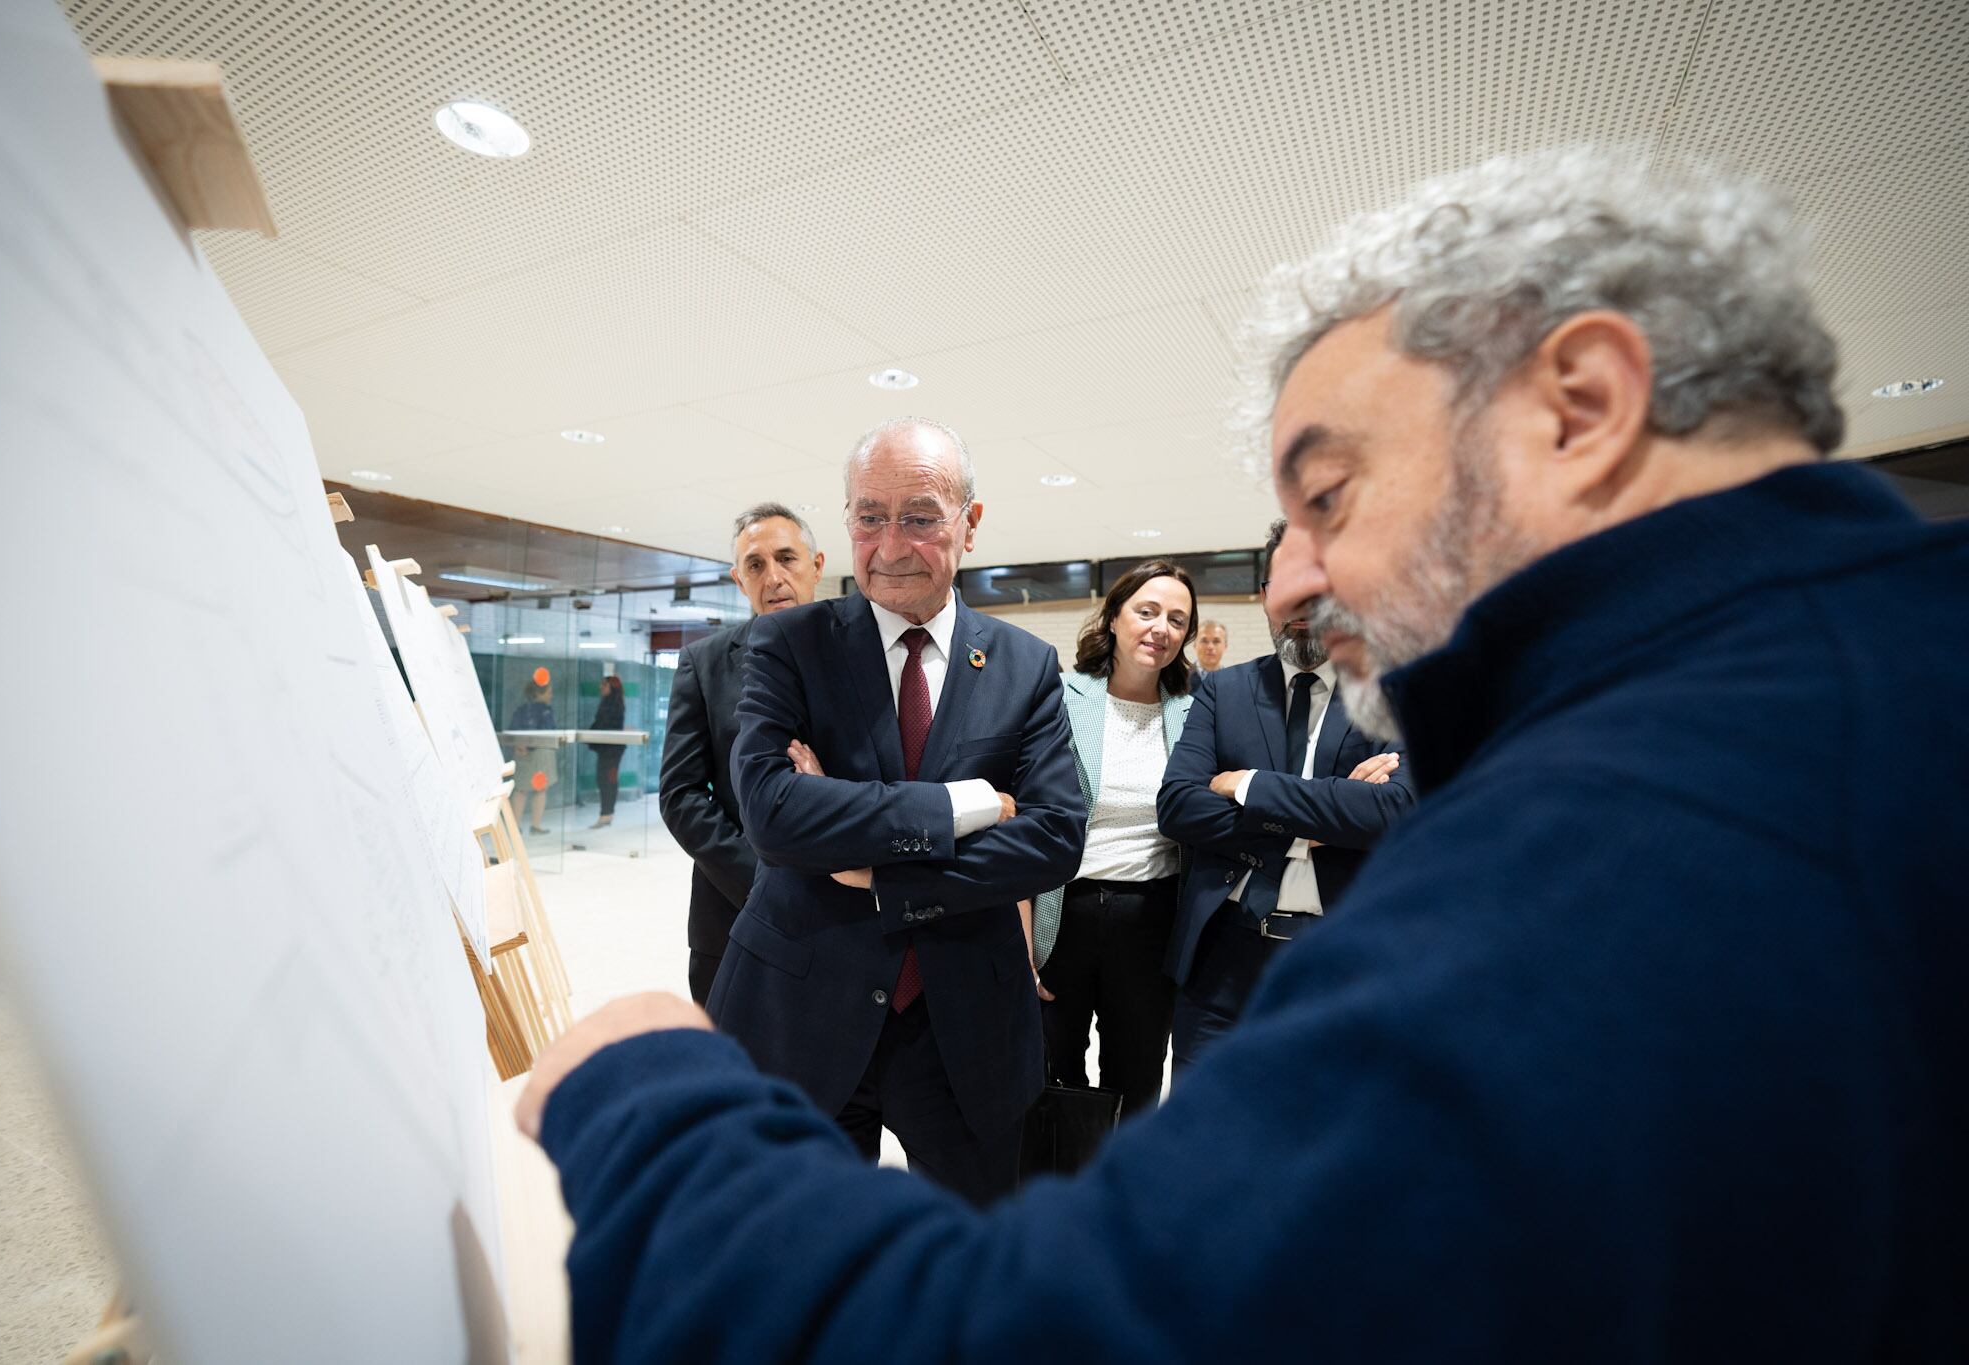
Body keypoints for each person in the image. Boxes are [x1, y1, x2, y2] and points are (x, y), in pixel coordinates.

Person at [515, 148, 1969, 1360]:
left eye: (1329, 495)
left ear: (1579, 405)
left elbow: (1038, 1331)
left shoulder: (1626, 836)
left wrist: (645, 1098)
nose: (1284, 586)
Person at [696, 416, 1085, 1204]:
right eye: (870, 516)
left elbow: (1053, 838)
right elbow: (771, 812)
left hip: (963, 1026)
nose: (892, 543)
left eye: (920, 516)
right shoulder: (789, 646)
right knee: (799, 1258)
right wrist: (966, 805)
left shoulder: (1025, 665)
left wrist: (881, 874)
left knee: (969, 1257)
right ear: (845, 524)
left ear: (969, 525)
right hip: (800, 1011)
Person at [1156, 516, 1415, 1071]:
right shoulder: (1225, 691)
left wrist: (1250, 786)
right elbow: (1178, 805)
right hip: (1222, 963)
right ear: (1265, 597)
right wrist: (1330, 816)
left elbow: (1398, 809)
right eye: (1287, 586)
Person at [1024, 559, 1199, 1122]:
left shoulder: (1195, 712)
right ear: (1115, 618)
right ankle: (1060, 1196)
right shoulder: (1059, 697)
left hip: (1152, 916)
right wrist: (1020, 935)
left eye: (1177, 619)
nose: (1161, 629)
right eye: (1146, 611)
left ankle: (1125, 1197)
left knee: (1140, 1076)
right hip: (1063, 912)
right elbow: (1026, 816)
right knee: (1055, 1073)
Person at [658, 501, 826, 1005]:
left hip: (846, 913)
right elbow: (682, 794)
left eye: (786, 559)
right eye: (755, 565)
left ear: (816, 567)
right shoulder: (704, 664)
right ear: (739, 579)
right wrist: (761, 878)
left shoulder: (860, 657)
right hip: (733, 913)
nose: (772, 577)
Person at [507, 677, 556, 835]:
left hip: (522, 752)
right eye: (549, 692)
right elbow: (547, 732)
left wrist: (521, 745)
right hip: (541, 753)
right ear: (539, 693)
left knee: (520, 790)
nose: (551, 695)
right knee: (540, 790)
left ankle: (515, 826)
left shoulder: (521, 710)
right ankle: (536, 825)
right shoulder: (546, 711)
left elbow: (512, 729)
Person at [585, 675, 626, 829]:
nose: (601, 687)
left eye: (604, 685)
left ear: (612, 688)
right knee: (605, 779)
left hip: (612, 750)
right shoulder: (607, 704)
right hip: (607, 749)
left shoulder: (614, 706)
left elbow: (606, 726)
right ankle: (606, 814)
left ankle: (606, 814)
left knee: (608, 780)